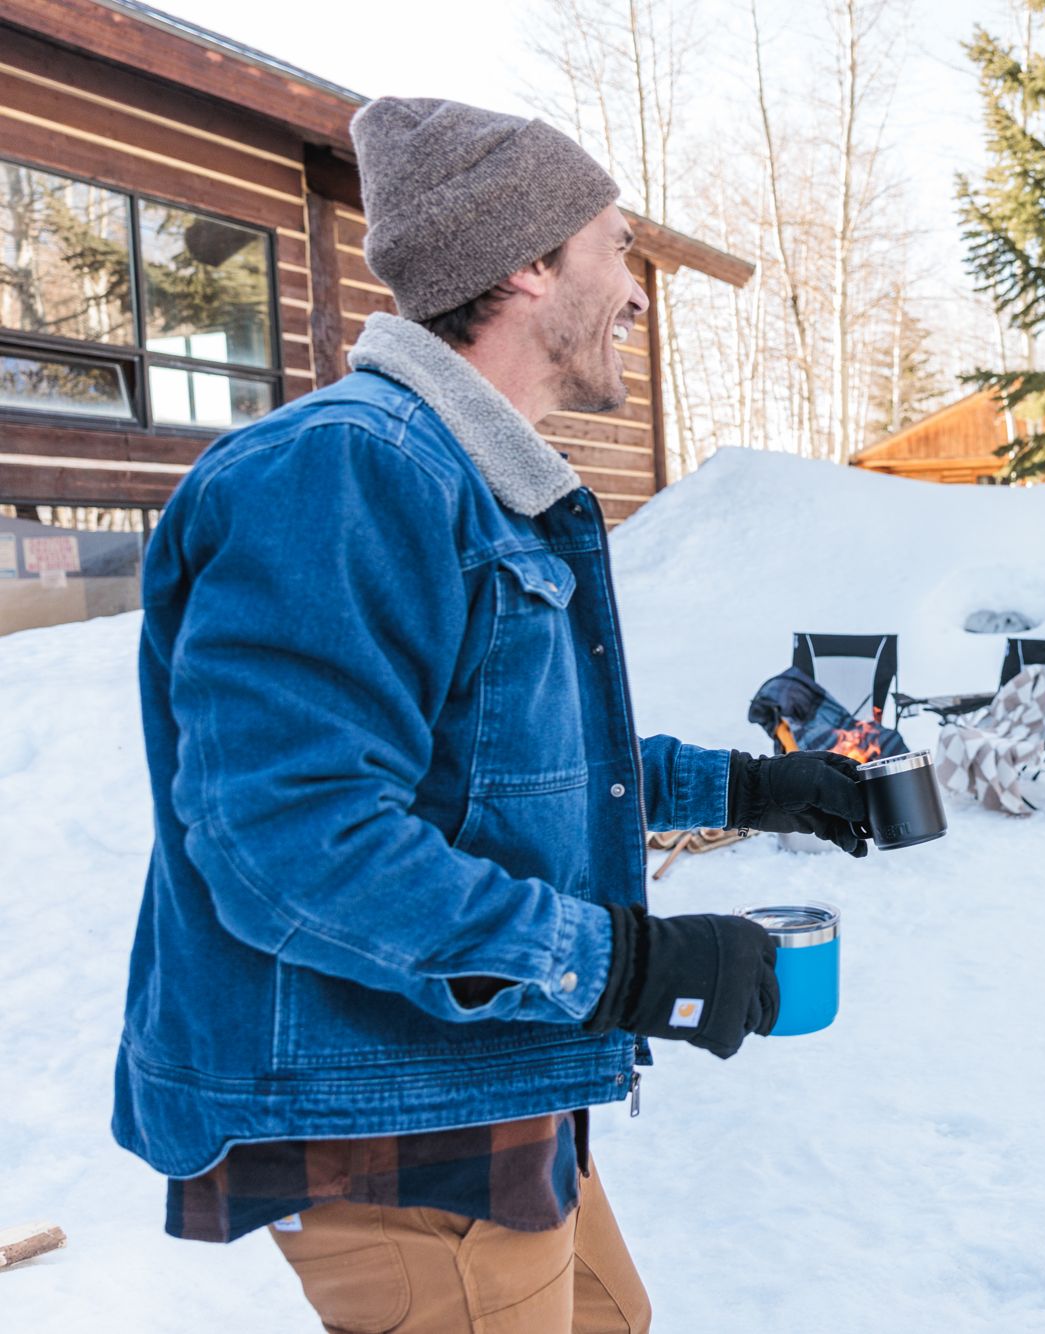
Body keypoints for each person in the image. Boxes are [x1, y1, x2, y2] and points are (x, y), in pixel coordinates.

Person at [111, 98, 868, 1333]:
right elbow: (293, 842)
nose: (634, 295)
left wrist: (756, 785)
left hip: (482, 1087)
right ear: (526, 266)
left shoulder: (472, 482)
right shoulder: (349, 471)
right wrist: (623, 962)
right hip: (391, 1115)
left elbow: (514, 767)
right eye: (615, 250)